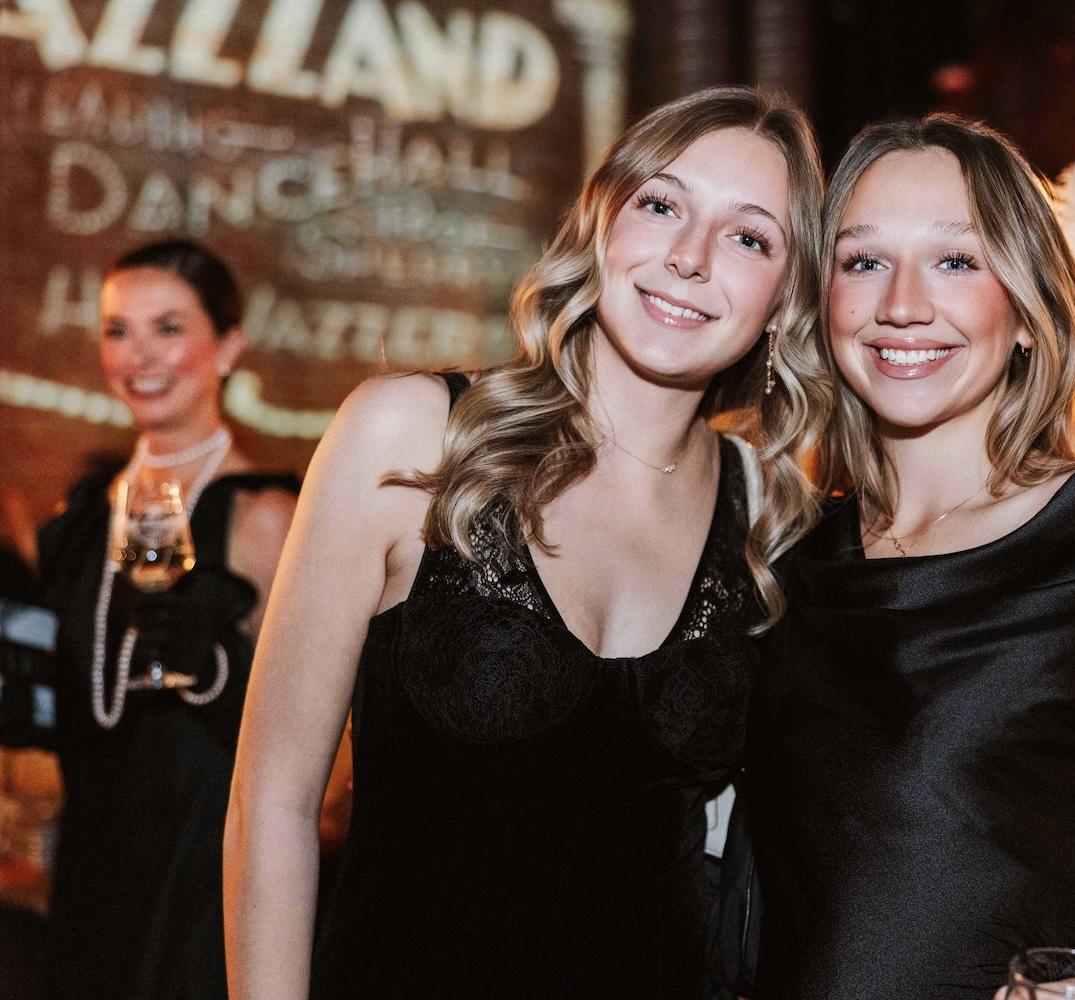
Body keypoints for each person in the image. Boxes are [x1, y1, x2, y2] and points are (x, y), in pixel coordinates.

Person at [223, 86, 825, 1000]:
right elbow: (272, 803)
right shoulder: (413, 435)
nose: (691, 257)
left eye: (750, 238)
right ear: (600, 222)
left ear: (785, 298)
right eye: (661, 205)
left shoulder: (771, 510)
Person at [744, 116, 1075, 1000]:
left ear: (1026, 310)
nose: (902, 303)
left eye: (956, 260)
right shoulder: (793, 560)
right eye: (863, 261)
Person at [4, 239, 298, 1000]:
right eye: (117, 330)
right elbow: (67, 711)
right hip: (92, 875)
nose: (138, 357)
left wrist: (215, 668)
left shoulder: (264, 515)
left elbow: (311, 748)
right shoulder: (78, 519)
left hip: (202, 876)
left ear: (227, 347)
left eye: (168, 328)